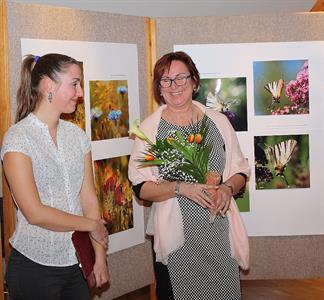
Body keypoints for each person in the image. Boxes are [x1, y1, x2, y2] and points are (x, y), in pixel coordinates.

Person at [128, 51, 250, 299]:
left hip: (218, 236)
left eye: (181, 78)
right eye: (166, 80)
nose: (174, 86)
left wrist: (227, 188)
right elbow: (140, 188)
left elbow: (240, 171)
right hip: (176, 241)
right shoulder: (149, 130)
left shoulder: (218, 122)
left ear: (194, 81)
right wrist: (181, 188)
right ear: (158, 88)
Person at [1, 53, 109, 300]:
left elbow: (89, 200)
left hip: (77, 262)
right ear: (49, 85)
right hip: (33, 267)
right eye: (74, 83)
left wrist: (99, 258)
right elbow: (34, 212)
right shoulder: (18, 138)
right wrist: (92, 226)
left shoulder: (77, 136)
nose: (80, 92)